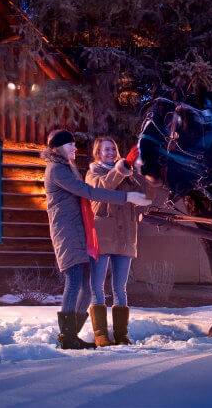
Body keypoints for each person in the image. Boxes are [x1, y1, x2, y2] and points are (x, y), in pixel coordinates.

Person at [44, 129, 151, 350]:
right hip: (69, 231)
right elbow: (90, 192)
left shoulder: (67, 168)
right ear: (57, 148)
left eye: (74, 144)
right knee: (78, 282)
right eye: (70, 145)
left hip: (82, 231)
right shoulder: (58, 170)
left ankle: (73, 334)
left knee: (84, 284)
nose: (74, 148)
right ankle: (68, 336)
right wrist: (127, 196)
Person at [86, 137, 148, 347]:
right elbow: (102, 190)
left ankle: (121, 333)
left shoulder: (128, 173)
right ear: (98, 153)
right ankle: (100, 333)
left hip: (125, 236)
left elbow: (142, 196)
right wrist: (121, 170)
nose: (111, 152)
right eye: (106, 149)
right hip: (102, 235)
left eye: (114, 148)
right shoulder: (93, 173)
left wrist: (132, 170)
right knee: (97, 286)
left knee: (120, 288)